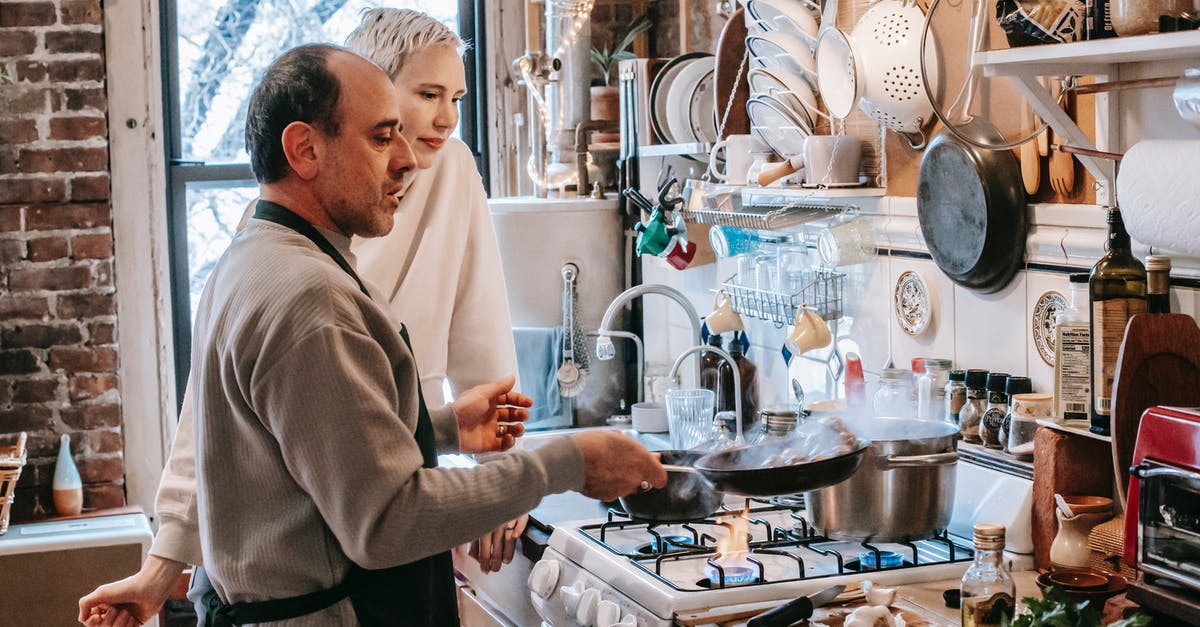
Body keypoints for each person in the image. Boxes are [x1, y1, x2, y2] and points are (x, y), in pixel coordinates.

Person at [81, 44, 665, 627]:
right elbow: (386, 523)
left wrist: (442, 428)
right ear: (304, 149)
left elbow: (298, 446)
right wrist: (567, 463)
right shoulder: (310, 296)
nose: (408, 159)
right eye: (384, 137)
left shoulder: (252, 256)